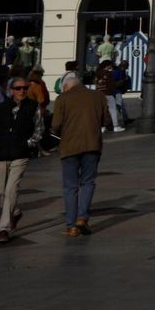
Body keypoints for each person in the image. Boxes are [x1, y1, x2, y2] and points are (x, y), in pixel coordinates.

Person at [51, 70, 112, 236]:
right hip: (92, 145)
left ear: (65, 86)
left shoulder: (62, 99)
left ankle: (71, 226)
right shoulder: (98, 96)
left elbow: (56, 125)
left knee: (70, 187)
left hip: (69, 148)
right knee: (88, 182)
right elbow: (106, 120)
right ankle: (82, 218)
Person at [0, 76, 44, 242]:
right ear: (11, 90)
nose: (22, 91)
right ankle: (15, 212)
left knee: (11, 189)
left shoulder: (33, 106)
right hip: (1, 153)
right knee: (2, 190)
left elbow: (39, 128)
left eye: (25, 88)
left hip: (20, 154)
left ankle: (4, 228)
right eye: (18, 88)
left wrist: (28, 143)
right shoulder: (2, 107)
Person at [95, 61, 124, 132]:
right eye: (110, 65)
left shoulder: (98, 73)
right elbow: (111, 84)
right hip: (108, 93)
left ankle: (102, 127)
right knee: (112, 109)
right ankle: (116, 126)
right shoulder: (108, 73)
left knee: (102, 111)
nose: (111, 67)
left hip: (99, 93)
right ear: (107, 66)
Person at [110, 61, 131, 128]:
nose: (128, 67)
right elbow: (113, 81)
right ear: (124, 66)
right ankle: (114, 121)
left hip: (117, 90)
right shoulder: (117, 71)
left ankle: (125, 119)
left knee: (121, 105)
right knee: (119, 105)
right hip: (116, 91)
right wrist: (124, 80)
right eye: (127, 65)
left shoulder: (122, 71)